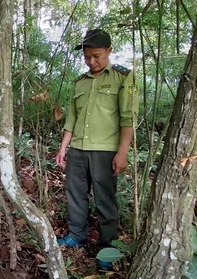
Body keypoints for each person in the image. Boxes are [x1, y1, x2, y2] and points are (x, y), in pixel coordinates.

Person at [55, 29, 139, 269]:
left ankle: (107, 248)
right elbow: (71, 119)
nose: (92, 61)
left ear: (109, 51)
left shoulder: (124, 78)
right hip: (78, 149)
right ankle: (77, 236)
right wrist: (63, 148)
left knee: (105, 199)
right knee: (75, 193)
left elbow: (128, 119)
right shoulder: (80, 83)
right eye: (87, 57)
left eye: (97, 56)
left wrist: (122, 153)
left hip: (105, 151)